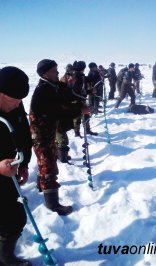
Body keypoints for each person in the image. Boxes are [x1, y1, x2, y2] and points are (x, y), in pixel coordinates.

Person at [29, 59, 73, 216]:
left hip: (46, 133)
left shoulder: (50, 86)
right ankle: (53, 205)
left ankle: (41, 186)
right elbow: (58, 111)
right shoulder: (43, 91)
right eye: (55, 71)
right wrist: (79, 110)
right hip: (41, 135)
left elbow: (63, 92)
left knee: (44, 161)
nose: (58, 73)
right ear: (46, 73)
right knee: (49, 166)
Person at [0, 67, 32, 265]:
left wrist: (25, 164)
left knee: (14, 218)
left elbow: (23, 137)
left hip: (9, 172)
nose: (20, 103)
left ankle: (5, 257)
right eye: (15, 99)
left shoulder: (16, 107)